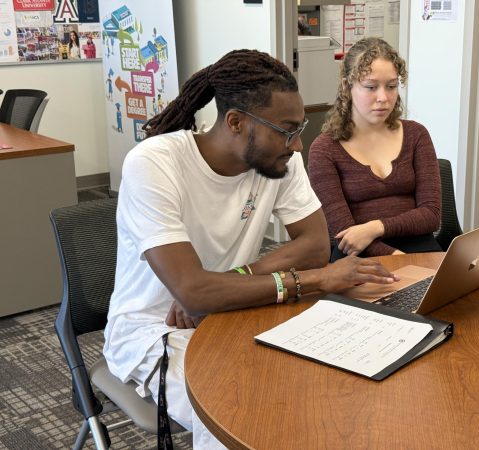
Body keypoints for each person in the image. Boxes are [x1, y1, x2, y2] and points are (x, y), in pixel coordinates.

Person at [103, 49, 398, 449]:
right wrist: (315, 280)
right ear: (236, 122)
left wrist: (225, 283)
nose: (297, 147)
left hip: (237, 309)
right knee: (243, 407)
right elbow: (192, 292)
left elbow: (313, 245)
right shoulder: (153, 164)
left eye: (300, 130)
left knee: (325, 383)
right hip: (154, 330)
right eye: (287, 130)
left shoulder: (280, 162)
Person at [308, 37, 441, 262]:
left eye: (391, 86)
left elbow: (431, 215)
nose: (383, 98)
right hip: (359, 255)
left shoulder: (416, 135)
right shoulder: (324, 150)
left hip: (421, 246)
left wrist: (375, 228)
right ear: (346, 86)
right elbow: (344, 234)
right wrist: (396, 258)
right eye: (371, 87)